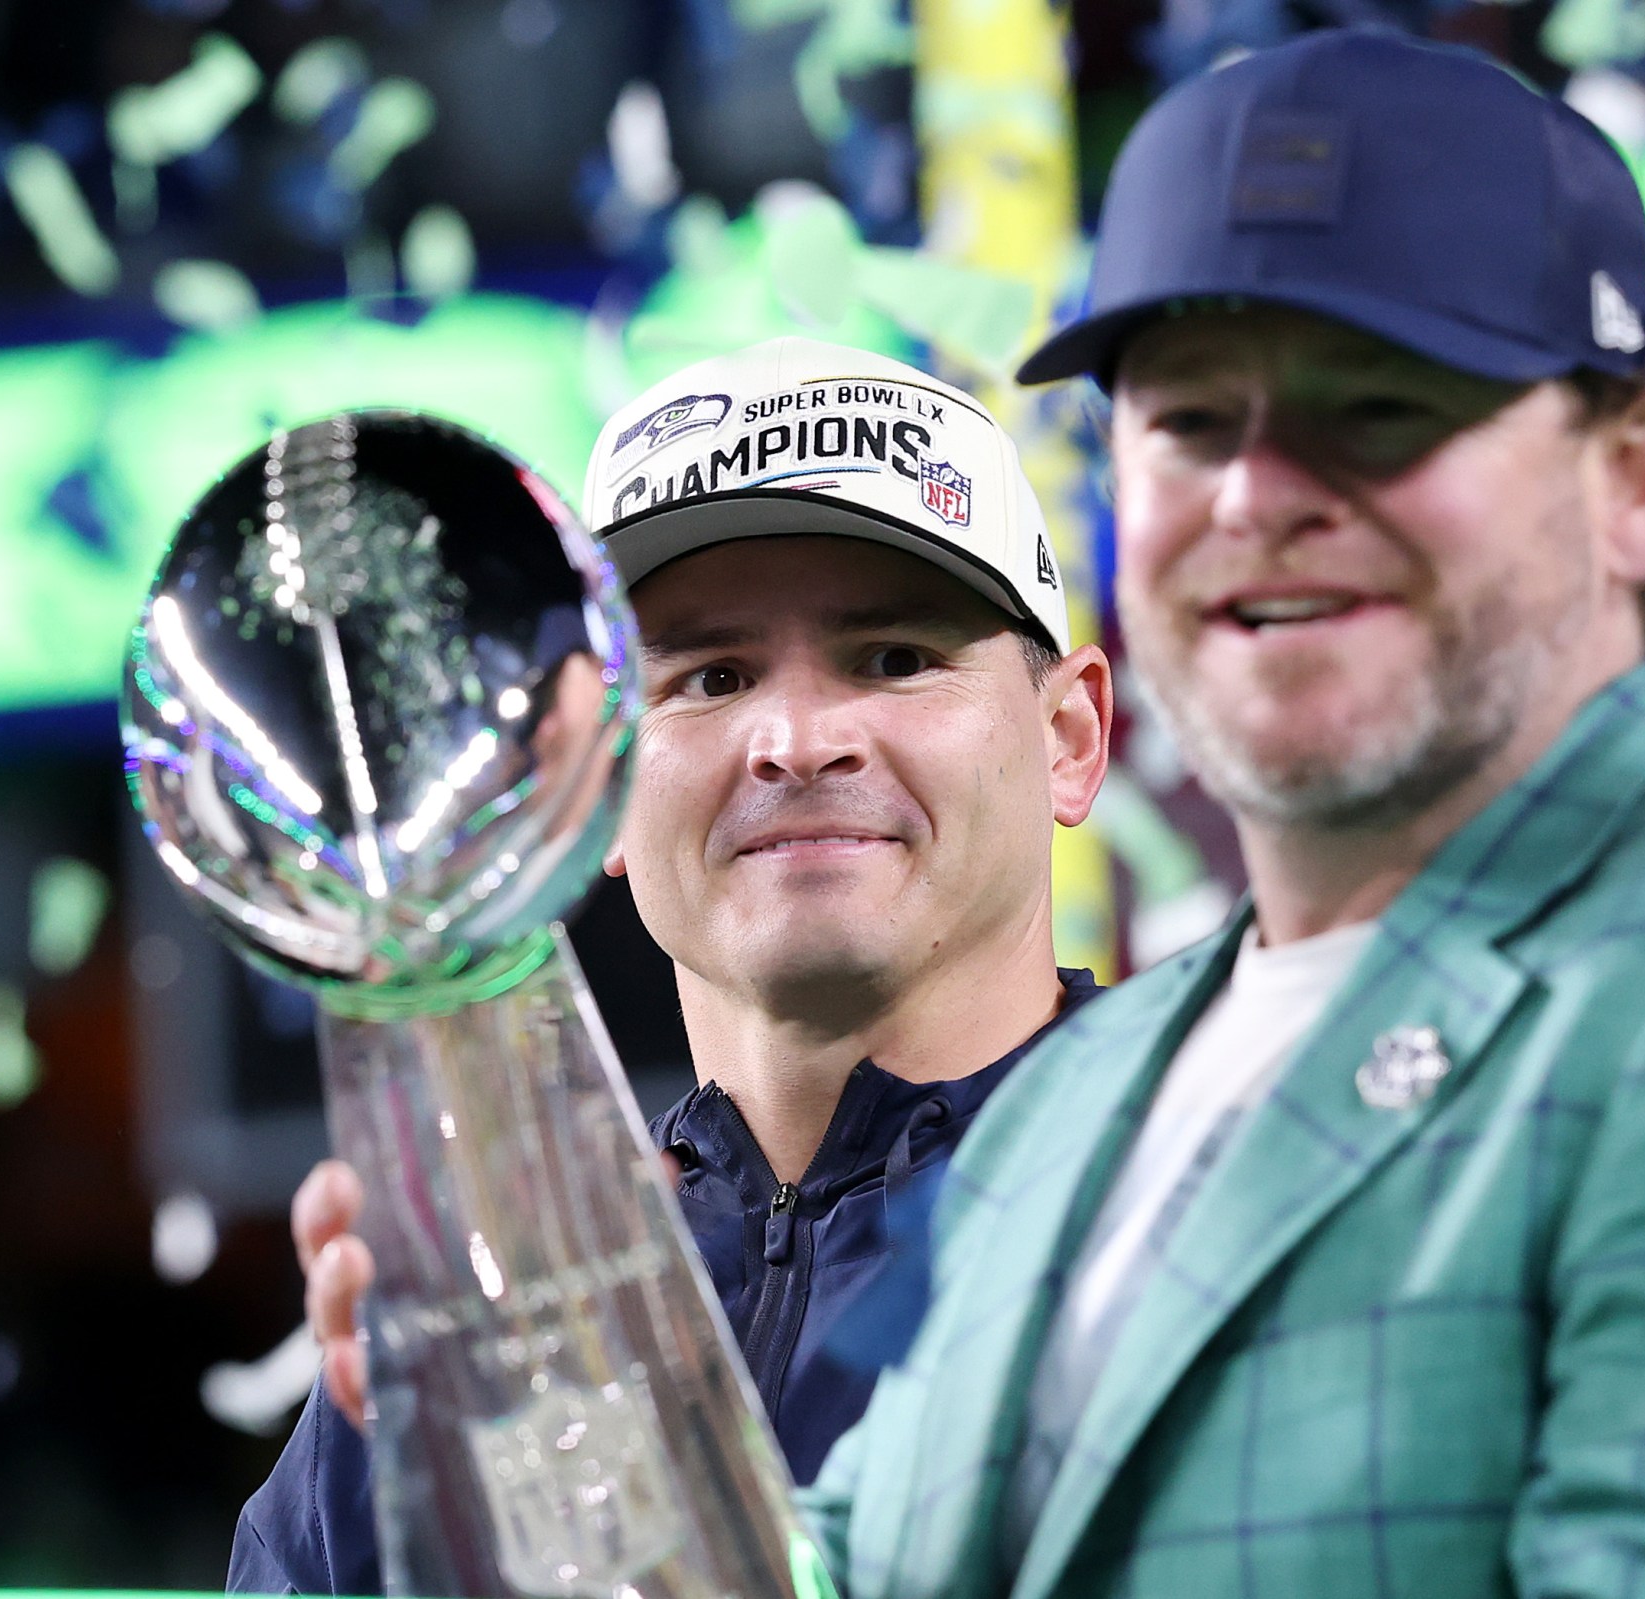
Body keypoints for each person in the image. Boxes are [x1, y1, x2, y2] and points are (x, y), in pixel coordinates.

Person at [799, 30, 1645, 1599]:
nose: (1253, 494)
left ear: (1641, 474)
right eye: (1191, 421)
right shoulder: (1070, 1091)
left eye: (1376, 406)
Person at [226, 337, 1114, 1592]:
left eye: (894, 657)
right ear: (587, 784)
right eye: (711, 675)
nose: (797, 740)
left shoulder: (1206, 1201)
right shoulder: (485, 1329)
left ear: (1071, 736)